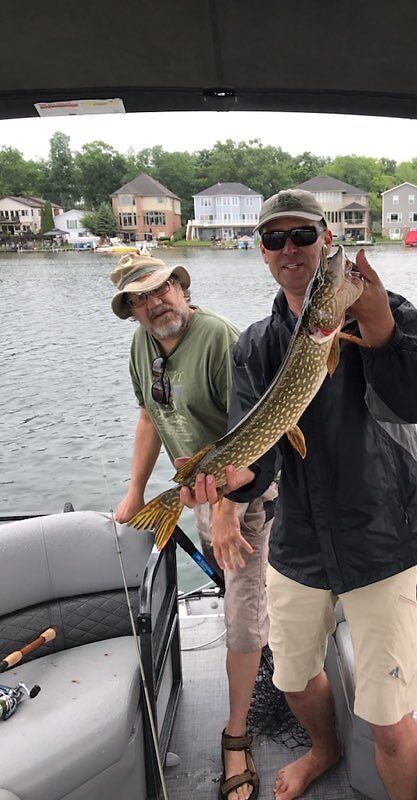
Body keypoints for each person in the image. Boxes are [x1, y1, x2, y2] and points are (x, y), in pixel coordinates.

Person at [182, 189, 417, 800]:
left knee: (388, 719)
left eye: (304, 236)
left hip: (380, 531)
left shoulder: (391, 313)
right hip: (297, 537)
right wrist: (227, 479)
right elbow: (261, 450)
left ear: (327, 240)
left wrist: (377, 327)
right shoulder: (254, 344)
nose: (292, 249)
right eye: (276, 239)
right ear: (263, 254)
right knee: (295, 676)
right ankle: (324, 749)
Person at [110, 252, 276, 800]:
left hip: (242, 492)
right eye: (140, 299)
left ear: (181, 286)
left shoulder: (221, 339)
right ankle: (259, 657)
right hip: (199, 490)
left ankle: (236, 735)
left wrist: (229, 512)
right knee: (237, 596)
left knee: (242, 618)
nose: (155, 303)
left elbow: (251, 433)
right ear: (131, 310)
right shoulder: (143, 344)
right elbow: (149, 416)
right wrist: (136, 489)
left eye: (161, 290)